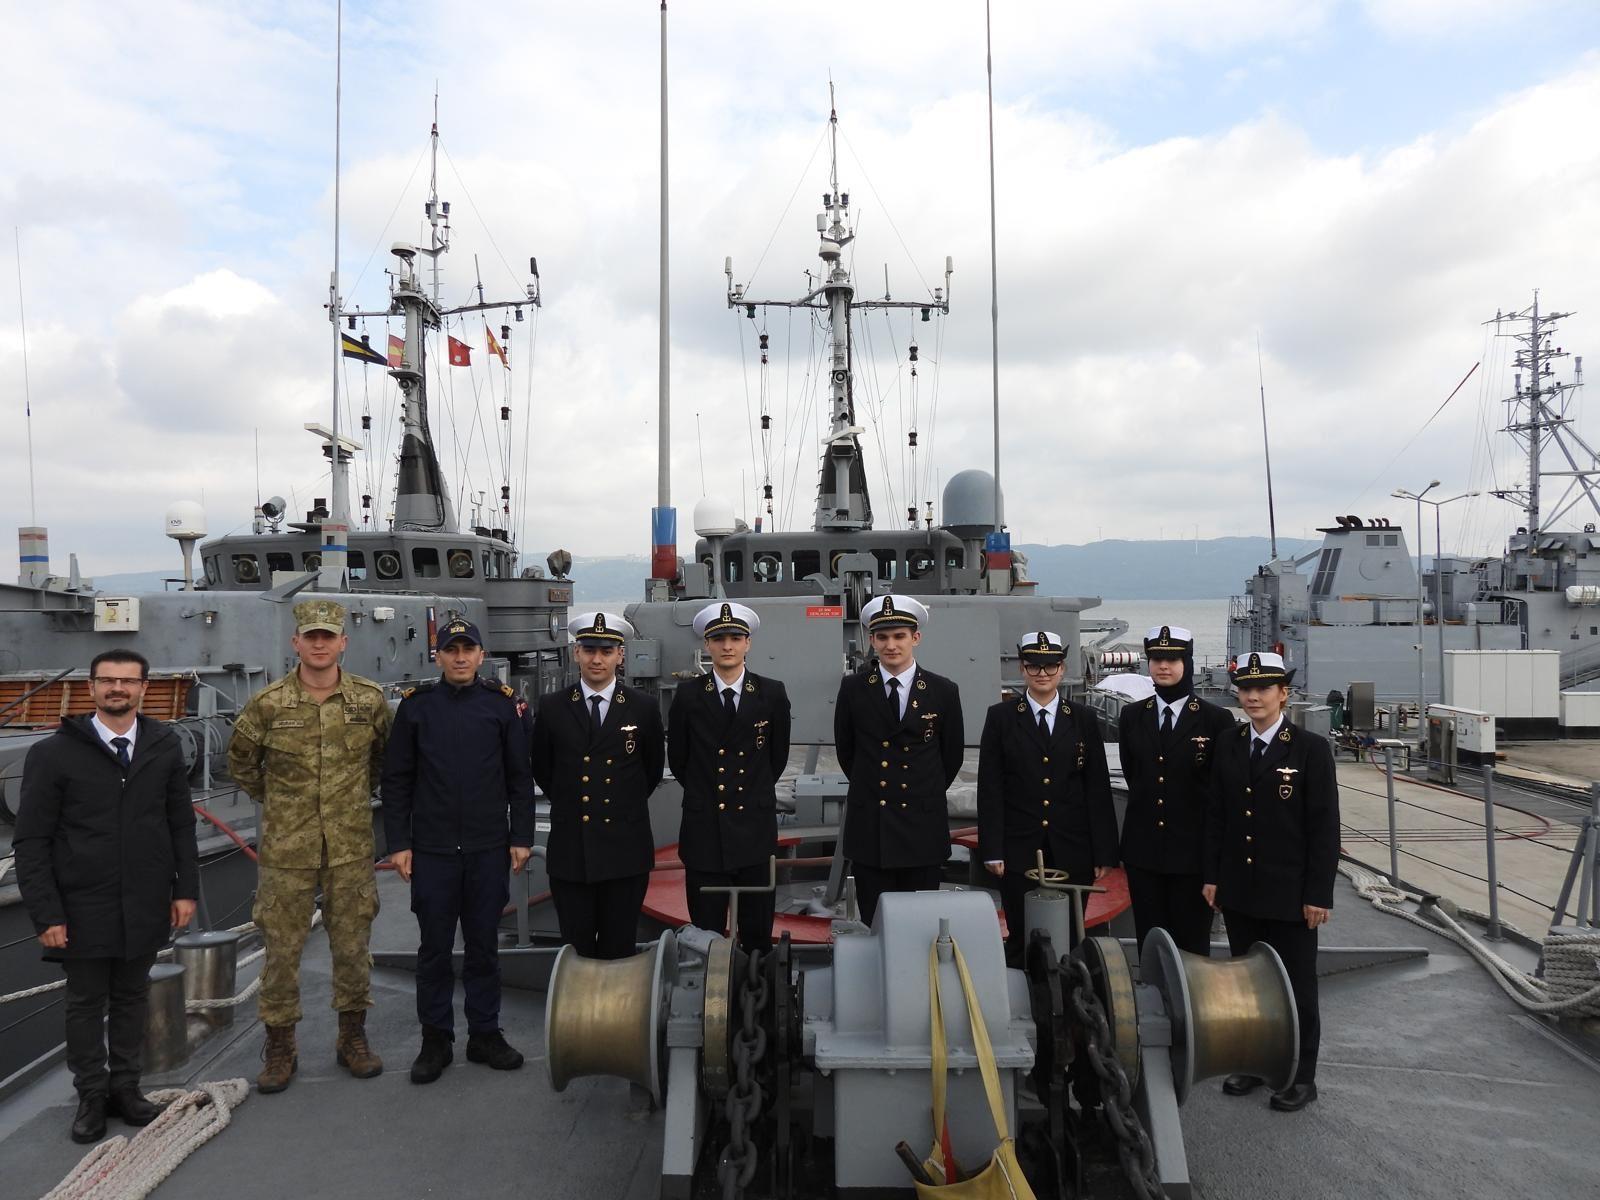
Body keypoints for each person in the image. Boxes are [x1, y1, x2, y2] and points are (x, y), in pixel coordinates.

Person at [15, 650, 199, 1143]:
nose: (118, 688)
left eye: (128, 681)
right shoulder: (53, 754)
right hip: (81, 904)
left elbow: (180, 823)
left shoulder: (163, 746)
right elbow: (31, 840)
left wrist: (185, 889)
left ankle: (126, 1088)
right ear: (92, 687)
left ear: (143, 688)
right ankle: (91, 1096)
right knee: (84, 1002)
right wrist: (46, 912)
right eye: (108, 680)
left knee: (132, 996)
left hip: (144, 898)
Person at [228, 598, 392, 1093]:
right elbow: (241, 763)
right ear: (296, 642)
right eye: (311, 636)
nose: (320, 644)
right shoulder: (268, 703)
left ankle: (352, 1038)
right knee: (280, 952)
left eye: (328, 636)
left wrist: (350, 799)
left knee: (353, 947)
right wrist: (283, 803)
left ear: (343, 642)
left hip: (349, 847)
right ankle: (281, 1047)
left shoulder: (369, 701)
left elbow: (382, 761)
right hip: (287, 852)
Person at [383, 617, 534, 1084]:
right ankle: (436, 1039)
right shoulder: (416, 708)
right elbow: (397, 780)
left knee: (483, 946)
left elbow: (519, 778)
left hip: (488, 848)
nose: (461, 657)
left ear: (481, 656)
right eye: (452, 649)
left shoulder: (500, 706)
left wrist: (521, 837)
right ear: (439, 656)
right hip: (433, 851)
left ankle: (484, 1033)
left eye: (469, 649)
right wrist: (399, 843)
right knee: (434, 949)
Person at [1203, 651, 1339, 1113]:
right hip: (1241, 888)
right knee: (1248, 986)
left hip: (1290, 893)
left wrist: (1318, 894)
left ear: (1284, 693)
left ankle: (1302, 1076)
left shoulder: (1309, 749)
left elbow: (1324, 828)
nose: (1253, 696)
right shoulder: (1229, 742)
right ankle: (1253, 1064)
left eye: (1264, 688)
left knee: (1297, 988)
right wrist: (1213, 877)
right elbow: (1218, 815)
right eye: (1246, 688)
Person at [531, 611, 665, 959]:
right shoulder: (553, 707)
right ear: (576, 653)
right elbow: (543, 769)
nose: (597, 659)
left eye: (606, 651)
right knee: (576, 951)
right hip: (572, 851)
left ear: (620, 655)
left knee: (618, 948)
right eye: (589, 650)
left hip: (625, 851)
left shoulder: (643, 708)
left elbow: (650, 771)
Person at [977, 631, 1116, 963]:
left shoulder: (1083, 719)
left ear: (1062, 669)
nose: (1042, 673)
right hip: (1019, 847)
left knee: (1071, 935)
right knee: (1021, 935)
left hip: (1072, 847)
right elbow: (991, 787)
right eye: (1034, 666)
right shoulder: (1001, 718)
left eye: (1050, 666)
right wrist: (992, 849)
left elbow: (1096, 787)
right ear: (1022, 669)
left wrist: (1104, 851)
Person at [667, 601, 792, 952]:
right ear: (706, 644)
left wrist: (750, 793)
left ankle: (756, 984)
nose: (727, 646)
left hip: (754, 829)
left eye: (735, 638)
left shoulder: (771, 694)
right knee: (705, 937)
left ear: (747, 644)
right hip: (705, 830)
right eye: (719, 639)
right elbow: (679, 760)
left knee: (757, 934)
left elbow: (776, 759)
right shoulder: (689, 696)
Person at [833, 595, 964, 927]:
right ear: (872, 640)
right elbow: (847, 752)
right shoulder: (853, 689)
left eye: (899, 636)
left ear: (915, 638)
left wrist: (920, 791)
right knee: (876, 923)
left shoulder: (943, 691)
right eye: (883, 637)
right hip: (871, 828)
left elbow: (951, 756)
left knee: (921, 925)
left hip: (922, 827)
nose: (891, 645)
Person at [1118, 625, 1236, 957]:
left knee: (1192, 946)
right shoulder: (1132, 716)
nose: (1163, 666)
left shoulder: (1216, 720)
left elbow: (1221, 793)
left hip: (1193, 857)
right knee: (1150, 942)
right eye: (1156, 658)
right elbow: (1135, 776)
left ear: (1187, 662)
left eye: (1172, 659)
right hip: (1144, 855)